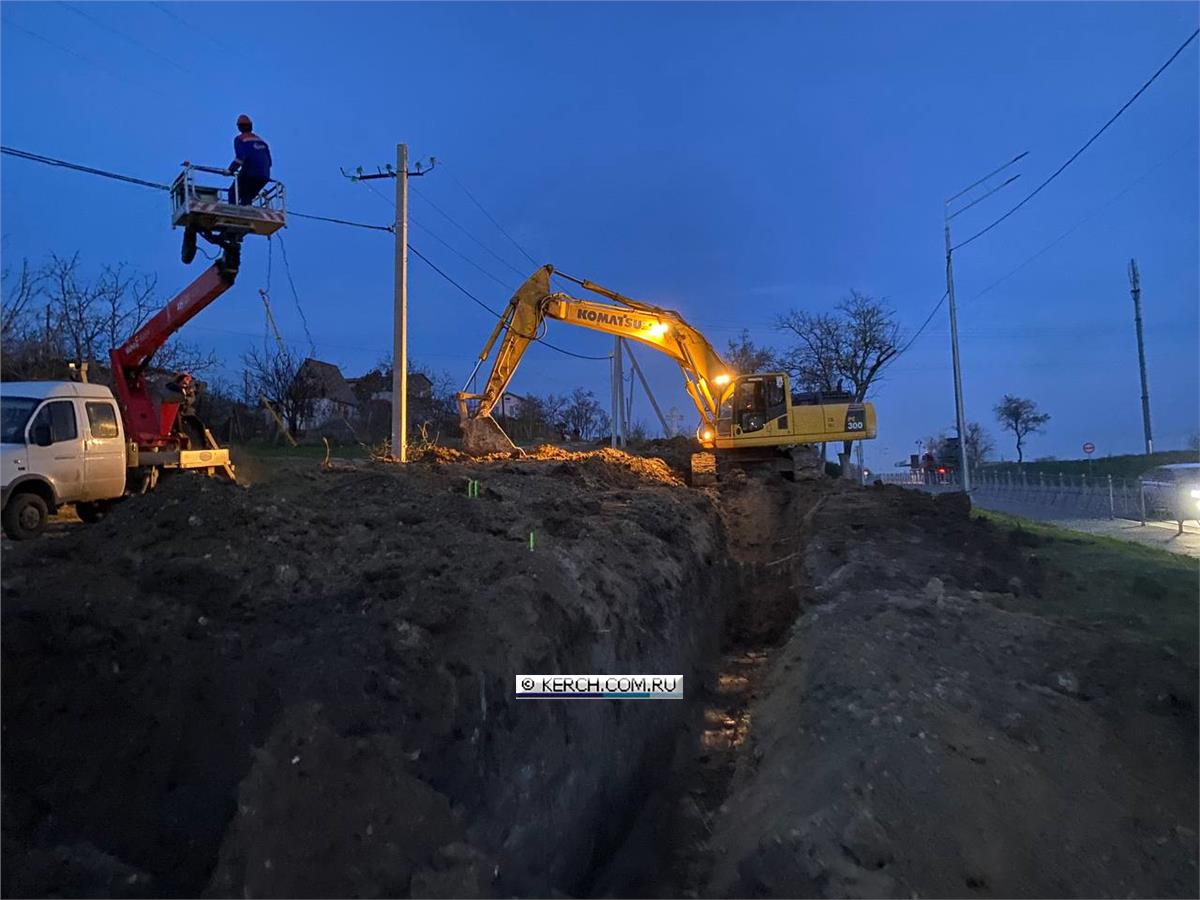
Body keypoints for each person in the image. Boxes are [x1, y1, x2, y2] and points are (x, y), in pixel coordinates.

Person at [228, 114, 271, 205]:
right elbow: (270, 162)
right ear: (251, 125)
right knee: (247, 195)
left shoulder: (240, 139)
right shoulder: (262, 142)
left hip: (250, 174)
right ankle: (246, 207)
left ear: (239, 127)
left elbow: (240, 158)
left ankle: (232, 211)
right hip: (264, 176)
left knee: (233, 193)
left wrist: (230, 170)